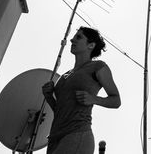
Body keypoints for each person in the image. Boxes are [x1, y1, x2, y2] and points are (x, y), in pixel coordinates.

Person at [42, 26, 121, 154]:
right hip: (54, 138)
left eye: (78, 37)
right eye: (73, 37)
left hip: (77, 134)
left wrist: (93, 99)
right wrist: (49, 97)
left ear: (91, 45)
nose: (72, 40)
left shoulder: (98, 66)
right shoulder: (64, 76)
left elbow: (116, 100)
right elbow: (61, 111)